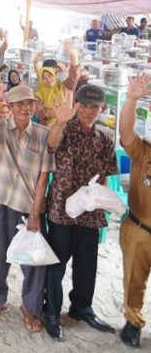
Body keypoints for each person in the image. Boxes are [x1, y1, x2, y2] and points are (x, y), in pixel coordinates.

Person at [0, 79, 63, 334]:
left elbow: (44, 176)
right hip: (0, 200)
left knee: (33, 260)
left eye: (30, 103)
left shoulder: (43, 134)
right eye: (20, 104)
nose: (26, 107)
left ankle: (30, 307)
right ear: (11, 107)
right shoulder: (0, 126)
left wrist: (35, 212)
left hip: (27, 207)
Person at [41, 84, 116, 342]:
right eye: (84, 105)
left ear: (101, 109)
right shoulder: (64, 130)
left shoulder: (104, 140)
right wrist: (60, 122)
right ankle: (51, 311)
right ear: (77, 106)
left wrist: (101, 202)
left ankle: (81, 307)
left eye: (94, 107)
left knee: (87, 263)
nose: (88, 111)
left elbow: (106, 176)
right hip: (62, 209)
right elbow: (50, 146)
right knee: (56, 263)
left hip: (90, 212)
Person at [118, 73, 151, 348]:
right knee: (134, 280)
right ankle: (132, 321)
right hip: (140, 229)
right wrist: (131, 99)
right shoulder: (144, 151)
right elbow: (126, 133)